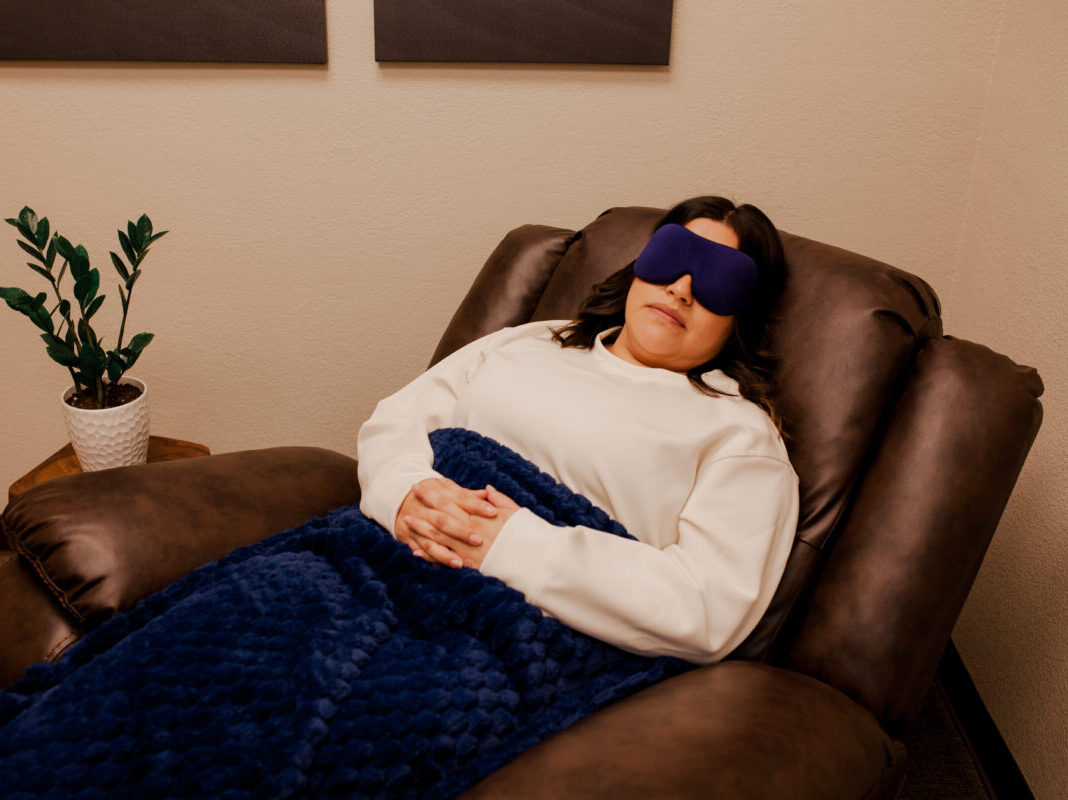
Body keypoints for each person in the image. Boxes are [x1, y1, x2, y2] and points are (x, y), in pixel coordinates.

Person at [356, 196, 800, 665]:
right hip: (374, 556)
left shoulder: (739, 435)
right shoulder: (532, 341)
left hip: (507, 632)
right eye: (674, 257)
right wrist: (407, 494)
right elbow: (397, 420)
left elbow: (709, 608)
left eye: (719, 280)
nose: (681, 288)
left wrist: (512, 546)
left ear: (742, 318)